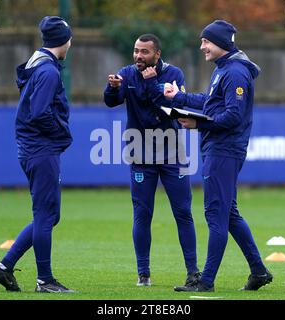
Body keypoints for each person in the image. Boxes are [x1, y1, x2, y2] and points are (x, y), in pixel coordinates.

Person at [164, 20, 273, 292]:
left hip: (224, 150)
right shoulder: (224, 69)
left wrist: (198, 124)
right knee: (229, 214)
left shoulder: (235, 72)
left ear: (222, 43)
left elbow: (233, 116)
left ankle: (207, 281)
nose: (201, 46)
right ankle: (258, 271)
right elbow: (211, 103)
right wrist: (179, 98)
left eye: (206, 41)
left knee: (216, 214)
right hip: (219, 148)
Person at [104, 34, 200, 287]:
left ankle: (193, 272)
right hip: (140, 152)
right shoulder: (128, 73)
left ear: (157, 54)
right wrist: (112, 88)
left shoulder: (174, 75)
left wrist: (153, 82)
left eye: (144, 52)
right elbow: (111, 102)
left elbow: (167, 109)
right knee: (142, 213)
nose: (138, 56)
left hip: (172, 151)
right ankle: (143, 273)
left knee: (183, 212)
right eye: (136, 51)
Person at [0, 16, 74, 293]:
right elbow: (39, 113)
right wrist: (60, 133)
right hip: (41, 149)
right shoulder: (49, 71)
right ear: (64, 40)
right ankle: (44, 280)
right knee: (45, 215)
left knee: (48, 215)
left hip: (32, 149)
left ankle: (3, 268)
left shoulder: (36, 63)